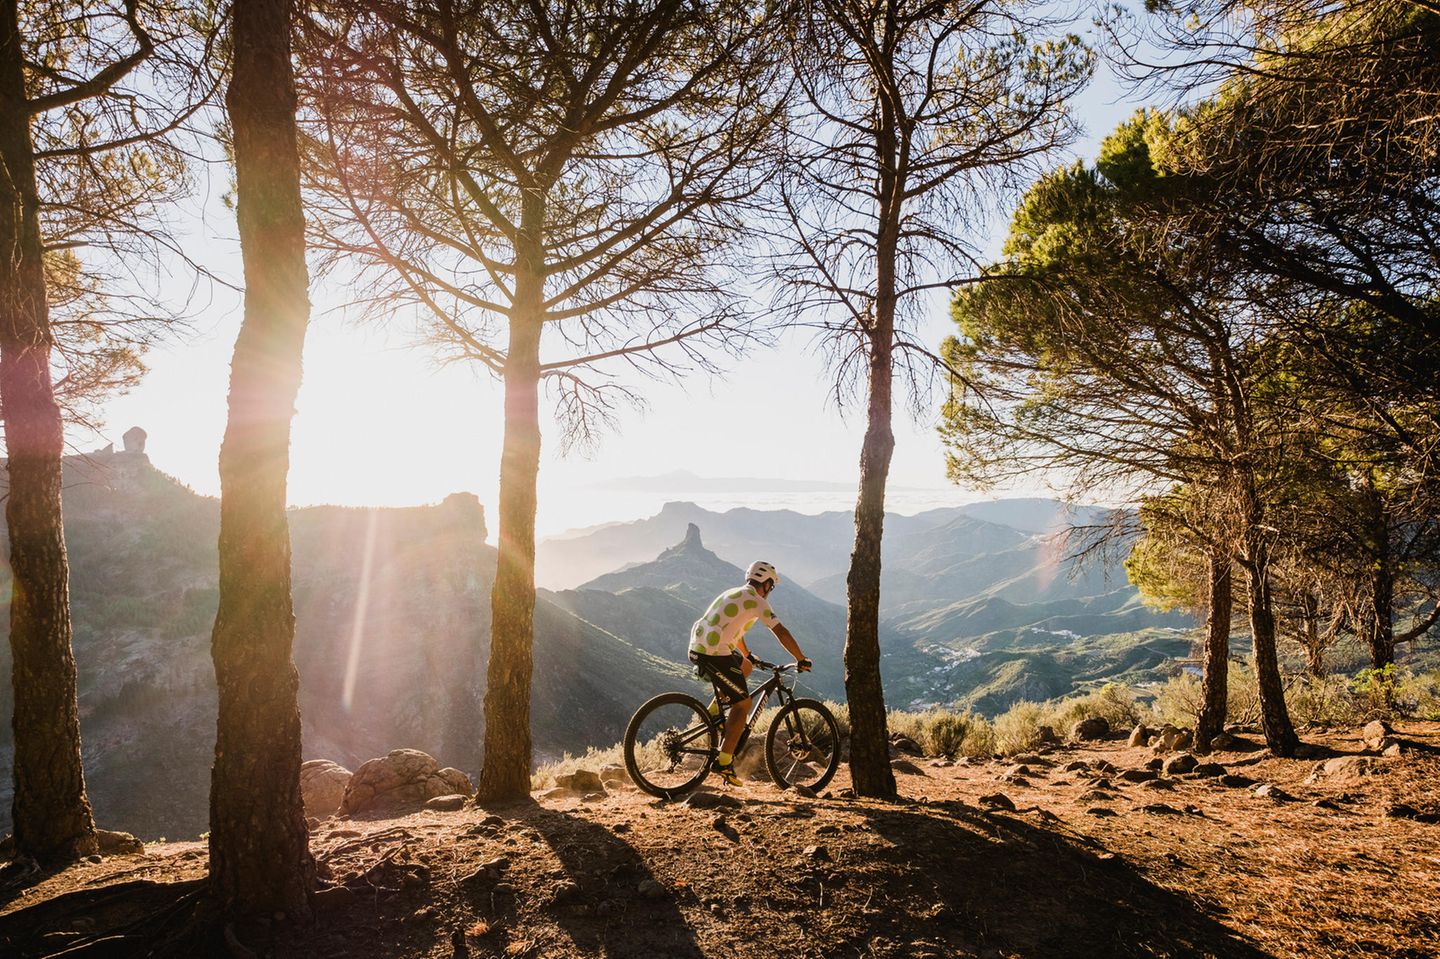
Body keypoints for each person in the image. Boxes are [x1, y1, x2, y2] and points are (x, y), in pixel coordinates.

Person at [688, 561, 811, 786]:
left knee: (746, 666)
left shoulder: (734, 593)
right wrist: (800, 658)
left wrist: (748, 655)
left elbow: (735, 629)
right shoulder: (757, 600)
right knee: (743, 704)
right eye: (771, 586)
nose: (770, 590)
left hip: (700, 647)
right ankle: (724, 762)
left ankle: (714, 712)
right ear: (766, 584)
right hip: (714, 652)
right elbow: (780, 631)